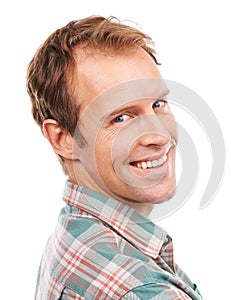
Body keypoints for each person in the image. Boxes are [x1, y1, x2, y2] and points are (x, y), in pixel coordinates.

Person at [27, 15, 202, 299]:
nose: (159, 136)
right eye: (121, 118)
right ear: (63, 138)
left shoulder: (74, 232)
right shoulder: (141, 290)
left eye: (159, 104)